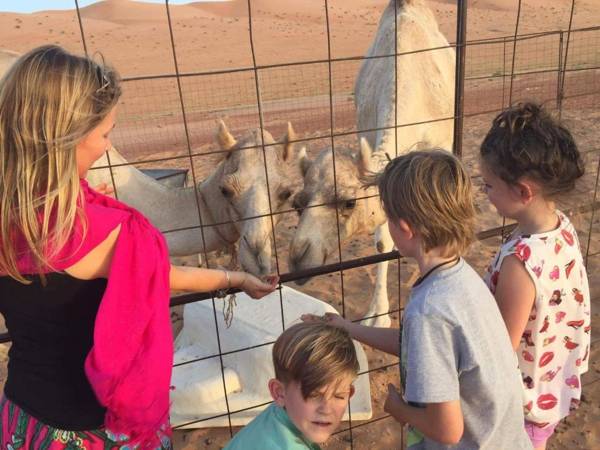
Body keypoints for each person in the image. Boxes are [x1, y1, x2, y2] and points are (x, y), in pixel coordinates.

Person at [0, 45, 277, 449]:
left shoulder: (11, 214)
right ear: (69, 138)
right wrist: (235, 278)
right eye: (105, 135)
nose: (105, 148)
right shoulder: (116, 233)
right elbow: (168, 277)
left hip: (23, 422)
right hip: (95, 431)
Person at [304, 150, 532, 449]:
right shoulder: (461, 278)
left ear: (405, 228)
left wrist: (401, 410)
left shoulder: (430, 311)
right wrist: (349, 328)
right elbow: (419, 344)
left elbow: (447, 430)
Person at [480, 102, 590, 450]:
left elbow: (500, 348)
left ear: (523, 192)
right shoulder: (563, 229)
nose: (486, 195)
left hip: (522, 409)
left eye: (489, 186)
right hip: (550, 390)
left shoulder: (520, 263)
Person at [224, 321, 359, 450]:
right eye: (313, 395)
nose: (326, 409)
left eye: (339, 396)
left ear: (349, 393)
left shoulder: (277, 416)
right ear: (279, 392)